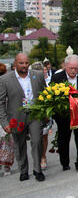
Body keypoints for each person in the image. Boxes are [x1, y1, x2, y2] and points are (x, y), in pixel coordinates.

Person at [0, 53, 46, 182]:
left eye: (26, 63)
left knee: (37, 141)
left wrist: (46, 114)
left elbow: (45, 94)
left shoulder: (37, 75)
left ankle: (38, 170)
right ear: (15, 63)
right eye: (21, 63)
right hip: (16, 118)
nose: (24, 66)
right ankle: (23, 170)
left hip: (35, 115)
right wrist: (4, 122)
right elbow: (1, 102)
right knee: (19, 145)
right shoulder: (5, 80)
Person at [51, 54, 78, 172]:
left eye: (76, 68)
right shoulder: (57, 77)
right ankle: (64, 162)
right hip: (64, 116)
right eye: (71, 68)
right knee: (63, 139)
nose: (73, 71)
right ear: (65, 66)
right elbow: (52, 96)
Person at [31, 62, 52, 170]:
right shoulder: (29, 82)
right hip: (32, 112)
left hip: (44, 112)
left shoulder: (47, 81)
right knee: (35, 137)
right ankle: (37, 157)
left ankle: (43, 156)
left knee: (44, 135)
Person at [0, 62, 13, 176]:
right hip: (4, 115)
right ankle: (6, 165)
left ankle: (6, 165)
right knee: (5, 141)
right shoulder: (6, 82)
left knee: (5, 140)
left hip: (4, 116)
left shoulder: (5, 83)